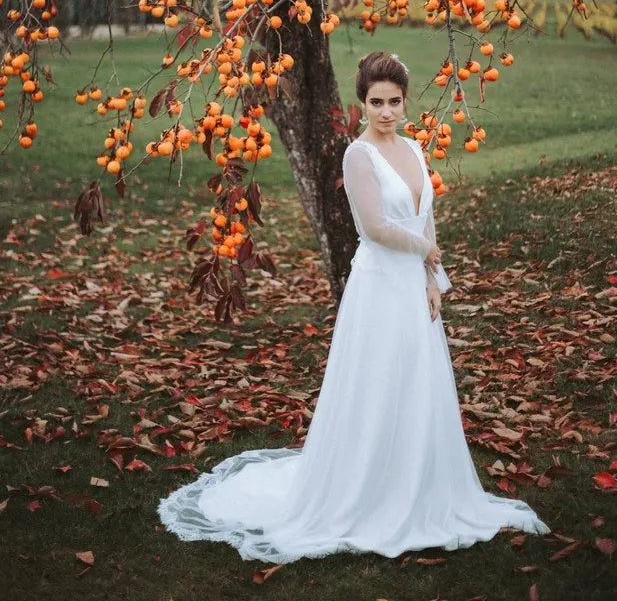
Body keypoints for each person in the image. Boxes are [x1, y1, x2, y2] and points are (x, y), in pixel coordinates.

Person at [157, 50, 551, 562]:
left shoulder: (413, 146)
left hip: (414, 283)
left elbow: (424, 214)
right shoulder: (358, 155)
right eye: (376, 102)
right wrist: (424, 251)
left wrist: (434, 278)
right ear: (362, 104)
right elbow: (375, 228)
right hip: (380, 285)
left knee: (416, 379)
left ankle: (418, 483)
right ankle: (366, 490)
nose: (386, 112)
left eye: (394, 102)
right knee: (378, 379)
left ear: (405, 103)